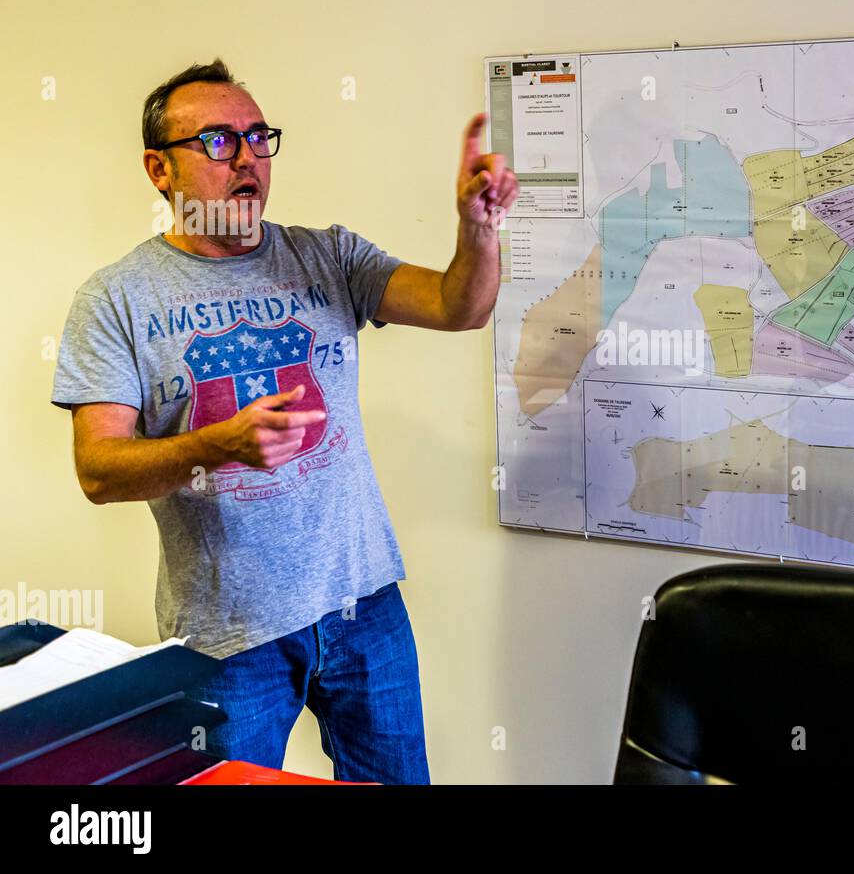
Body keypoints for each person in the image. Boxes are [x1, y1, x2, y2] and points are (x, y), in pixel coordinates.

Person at [49, 58, 518, 783]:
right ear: (158, 169)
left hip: (365, 608)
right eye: (216, 142)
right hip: (226, 639)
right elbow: (99, 470)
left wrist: (478, 230)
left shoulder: (327, 255)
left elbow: (462, 307)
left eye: (257, 137)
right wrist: (217, 445)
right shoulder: (117, 299)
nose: (246, 159)